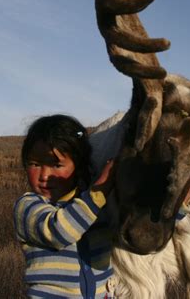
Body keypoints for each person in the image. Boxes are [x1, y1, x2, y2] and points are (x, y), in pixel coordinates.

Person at [14, 114, 115, 298]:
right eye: (35, 164)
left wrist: (179, 206)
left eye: (56, 165)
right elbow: (59, 230)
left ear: (79, 166)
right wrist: (101, 189)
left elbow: (132, 223)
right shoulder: (27, 207)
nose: (45, 175)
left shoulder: (95, 205)